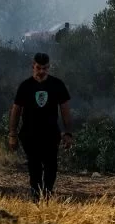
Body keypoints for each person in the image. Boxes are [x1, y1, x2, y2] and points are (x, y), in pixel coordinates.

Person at [8, 53, 73, 202]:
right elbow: (16, 110)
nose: (42, 71)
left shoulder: (57, 85)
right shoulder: (25, 86)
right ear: (33, 66)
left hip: (51, 134)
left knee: (51, 167)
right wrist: (12, 134)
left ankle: (47, 197)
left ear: (49, 67)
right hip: (30, 135)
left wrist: (68, 133)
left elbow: (65, 110)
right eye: (38, 68)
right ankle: (36, 199)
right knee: (34, 167)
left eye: (45, 68)